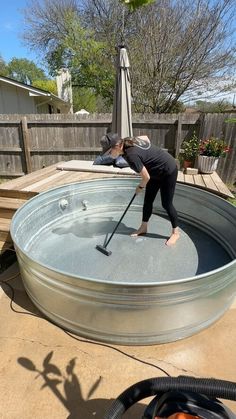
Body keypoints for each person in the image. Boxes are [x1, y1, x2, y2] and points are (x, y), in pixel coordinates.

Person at [101, 133, 180, 246]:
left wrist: (140, 187)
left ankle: (176, 233)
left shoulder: (131, 156)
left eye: (109, 151)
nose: (108, 154)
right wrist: (150, 156)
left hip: (168, 170)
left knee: (166, 204)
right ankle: (143, 228)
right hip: (155, 171)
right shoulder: (130, 140)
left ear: (118, 146)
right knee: (148, 200)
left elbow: (146, 177)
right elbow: (146, 137)